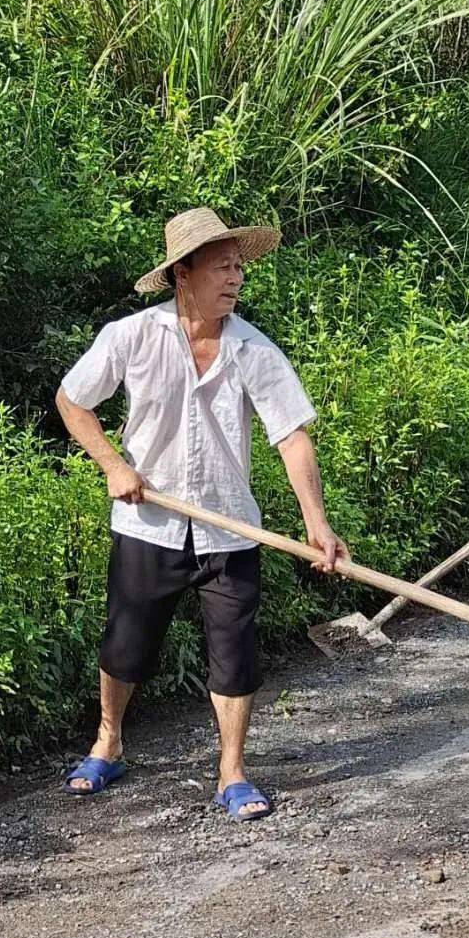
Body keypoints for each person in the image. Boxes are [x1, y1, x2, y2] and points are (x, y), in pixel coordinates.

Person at [56, 207, 348, 815]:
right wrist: (114, 464)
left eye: (240, 266)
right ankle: (108, 742)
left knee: (235, 653)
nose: (236, 278)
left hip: (228, 525)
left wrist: (318, 526)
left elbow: (293, 437)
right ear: (183, 273)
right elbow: (72, 400)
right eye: (222, 267)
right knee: (126, 645)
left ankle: (232, 772)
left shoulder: (253, 350)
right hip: (148, 523)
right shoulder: (130, 337)